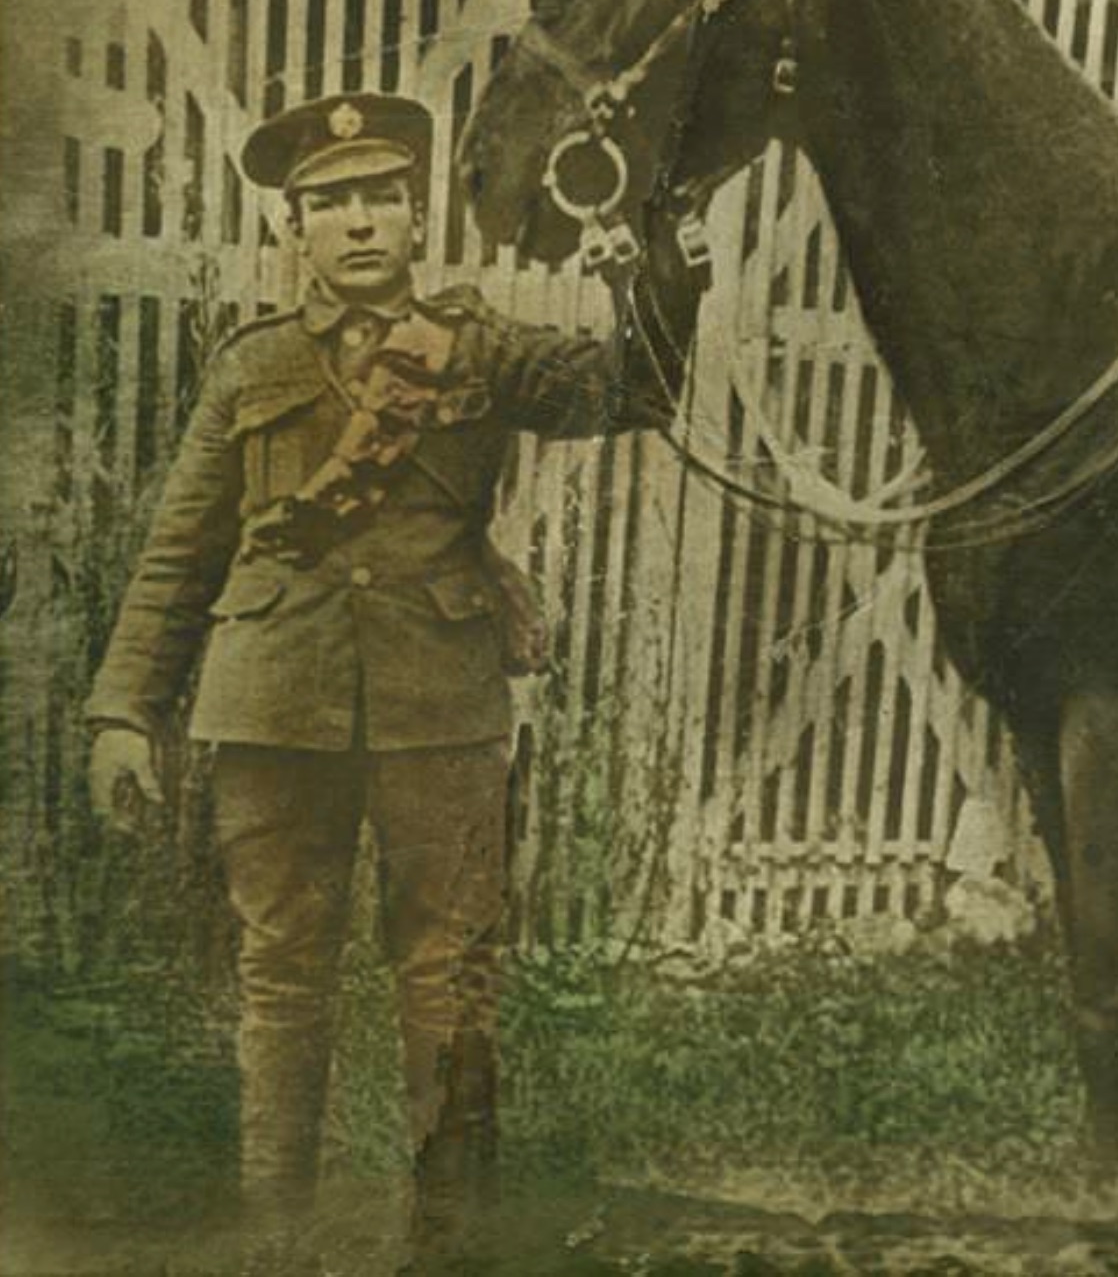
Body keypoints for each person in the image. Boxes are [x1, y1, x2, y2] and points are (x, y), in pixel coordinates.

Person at [83, 92, 697, 1256]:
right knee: (281, 975)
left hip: (440, 702)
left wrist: (662, 273)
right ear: (293, 229)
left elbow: (640, 390)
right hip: (272, 700)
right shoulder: (251, 367)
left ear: (416, 220)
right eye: (332, 203)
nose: (359, 223)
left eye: (381, 198)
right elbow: (180, 550)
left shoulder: (483, 349)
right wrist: (123, 710)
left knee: (450, 973)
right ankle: (279, 1232)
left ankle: (452, 1239)